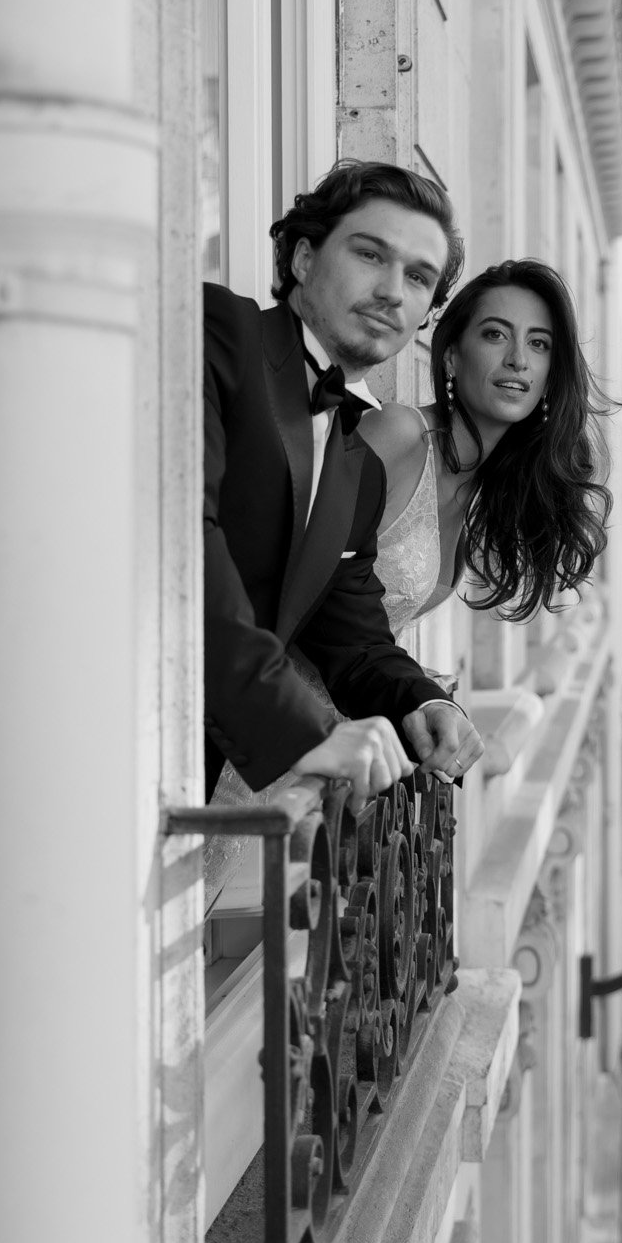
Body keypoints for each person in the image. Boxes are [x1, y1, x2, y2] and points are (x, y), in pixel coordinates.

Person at [204, 159, 484, 809]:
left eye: (418, 278)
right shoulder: (224, 333)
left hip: (193, 775)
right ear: (303, 258)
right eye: (369, 254)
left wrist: (423, 702)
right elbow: (185, 546)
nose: (392, 291)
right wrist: (306, 731)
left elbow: (351, 638)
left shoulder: (356, 459)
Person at [357, 257, 613, 630]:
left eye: (538, 343)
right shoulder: (398, 435)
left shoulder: (480, 486)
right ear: (451, 357)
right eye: (495, 334)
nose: (518, 360)